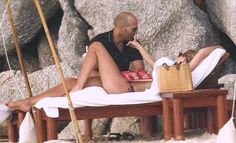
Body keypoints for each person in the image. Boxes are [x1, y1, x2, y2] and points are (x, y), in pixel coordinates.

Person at [5, 11, 145, 112]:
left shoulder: (132, 44)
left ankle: (79, 85)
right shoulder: (101, 40)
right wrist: (107, 72)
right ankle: (28, 102)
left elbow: (140, 72)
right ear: (121, 28)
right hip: (102, 79)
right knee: (69, 81)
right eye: (134, 29)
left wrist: (121, 75)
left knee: (94, 51)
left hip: (121, 82)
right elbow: (91, 70)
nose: (136, 32)